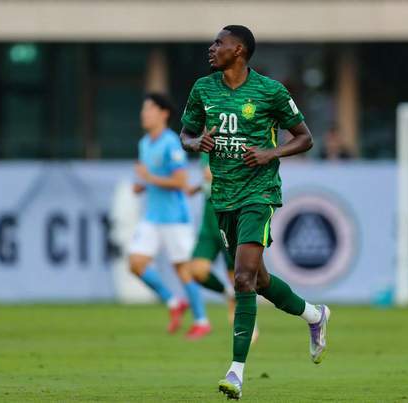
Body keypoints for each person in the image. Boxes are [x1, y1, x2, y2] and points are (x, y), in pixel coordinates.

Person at [180, 25, 330, 399]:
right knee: (259, 280)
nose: (212, 48)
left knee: (243, 277)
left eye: (219, 43)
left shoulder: (270, 91)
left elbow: (305, 138)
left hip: (258, 194)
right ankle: (314, 315)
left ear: (239, 50)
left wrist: (269, 153)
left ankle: (236, 372)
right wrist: (196, 143)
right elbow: (185, 134)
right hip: (222, 198)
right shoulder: (203, 89)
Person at [129, 93, 211, 340]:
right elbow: (153, 178)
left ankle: (201, 321)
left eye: (149, 109)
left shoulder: (171, 143)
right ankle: (174, 302)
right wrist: (142, 185)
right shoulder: (144, 143)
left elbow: (180, 181)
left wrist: (149, 178)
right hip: (152, 216)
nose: (144, 114)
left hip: (175, 217)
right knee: (135, 263)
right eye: (143, 110)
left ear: (163, 113)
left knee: (183, 269)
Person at [186, 153, 260, 343]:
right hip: (209, 221)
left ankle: (248, 322)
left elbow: (226, 173)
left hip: (229, 216)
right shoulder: (205, 148)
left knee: (237, 276)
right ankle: (228, 294)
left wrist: (217, 173)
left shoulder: (232, 143)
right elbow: (207, 178)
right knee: (196, 270)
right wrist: (197, 188)